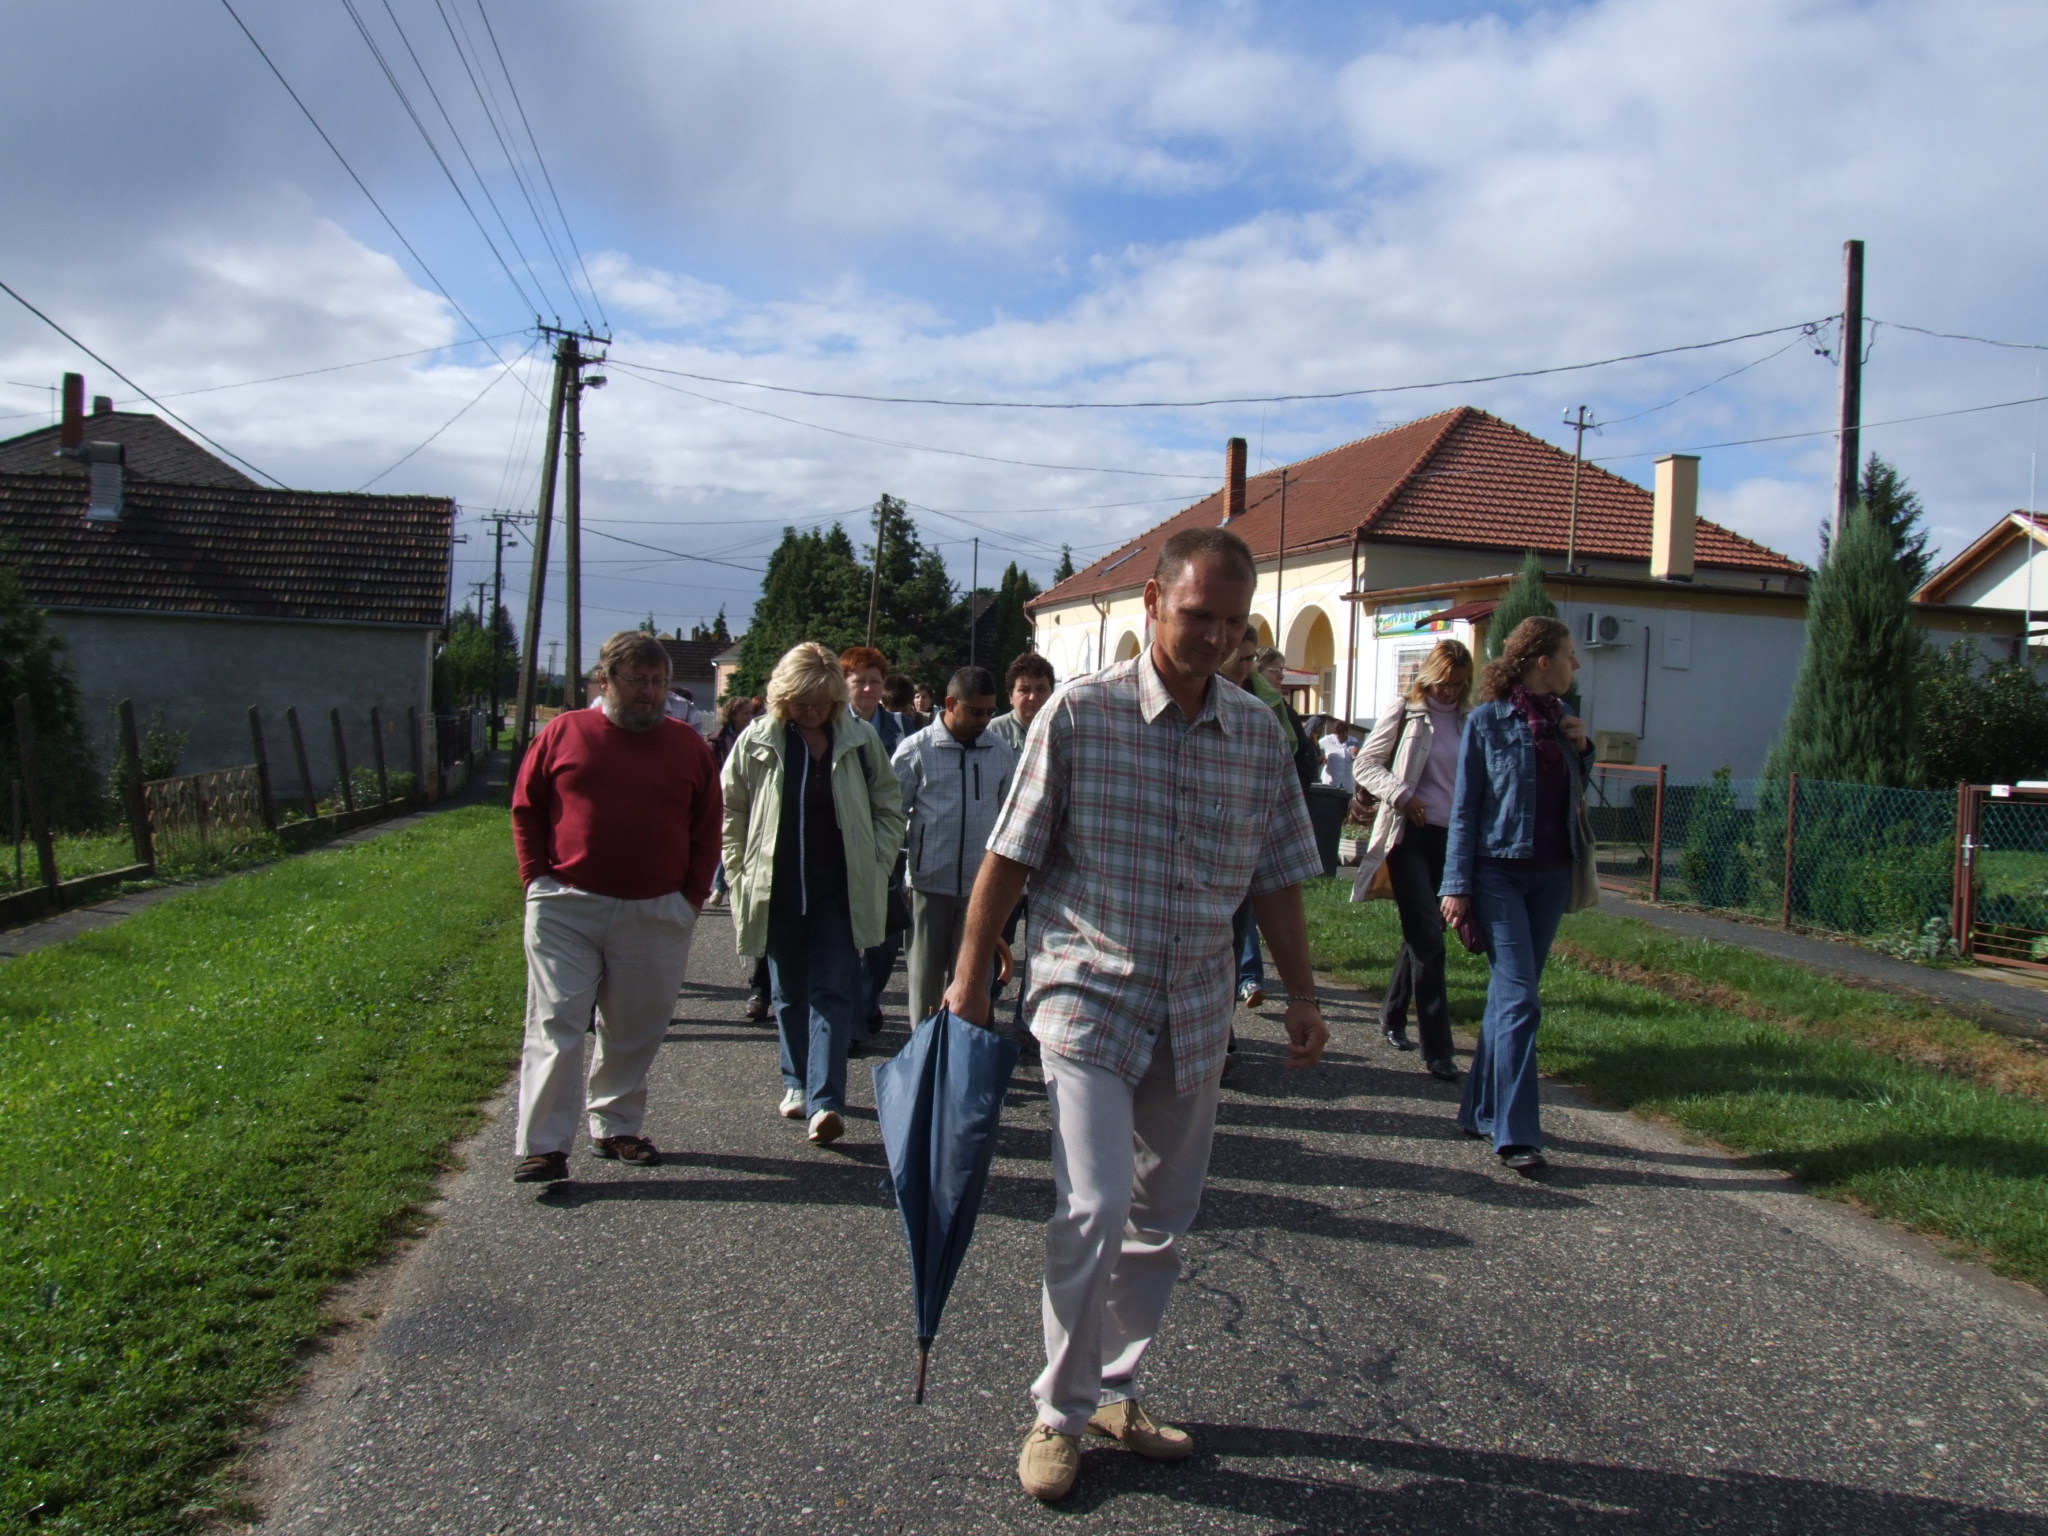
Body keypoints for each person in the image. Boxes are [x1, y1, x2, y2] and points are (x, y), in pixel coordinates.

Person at [940, 526, 1328, 1505]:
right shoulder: (1079, 715)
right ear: (1153, 603)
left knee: (1161, 1216)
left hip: (1194, 1004)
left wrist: (1301, 993)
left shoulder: (1257, 735)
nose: (1216, 638)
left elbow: (1279, 876)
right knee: (1096, 1203)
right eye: (1198, 616)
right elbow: (1010, 853)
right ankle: (1058, 1413)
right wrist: (970, 974)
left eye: (1233, 622)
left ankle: (1114, 1389)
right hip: (1087, 992)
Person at [509, 631, 722, 1183]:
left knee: (634, 1026)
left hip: (656, 909)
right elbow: (527, 808)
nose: (650, 693)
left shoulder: (687, 746)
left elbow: (707, 826)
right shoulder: (564, 732)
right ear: (604, 680)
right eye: (637, 681)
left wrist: (690, 899)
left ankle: (616, 1125)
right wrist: (536, 881)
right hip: (566, 905)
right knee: (557, 1021)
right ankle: (545, 1146)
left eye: (658, 682)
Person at [722, 643, 905, 1146]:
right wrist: (737, 869)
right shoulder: (758, 740)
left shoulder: (860, 740)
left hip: (840, 889)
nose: (812, 711)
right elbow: (732, 808)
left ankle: (826, 1102)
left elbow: (889, 805)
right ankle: (797, 1081)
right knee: (788, 992)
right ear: (783, 697)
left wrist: (877, 859)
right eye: (802, 702)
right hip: (777, 886)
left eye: (822, 703)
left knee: (833, 991)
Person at [1440, 616, 1595, 1174]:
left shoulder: (1565, 722)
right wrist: (1456, 885)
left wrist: (1584, 749)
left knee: (1509, 998)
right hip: (1497, 874)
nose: (1577, 664)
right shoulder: (1486, 722)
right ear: (1543, 661)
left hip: (1552, 877)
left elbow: (1570, 799)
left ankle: (1479, 1109)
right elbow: (1465, 809)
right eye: (1570, 655)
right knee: (1522, 999)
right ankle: (1516, 1133)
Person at [1350, 639, 1473, 1083]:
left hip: (1453, 840)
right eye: (1443, 684)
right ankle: (1438, 1049)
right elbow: (1366, 764)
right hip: (1408, 838)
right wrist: (1400, 794)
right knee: (1428, 939)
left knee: (1426, 932)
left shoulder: (1471, 720)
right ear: (1428, 678)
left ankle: (1392, 1014)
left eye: (1458, 685)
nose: (1449, 692)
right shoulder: (1406, 712)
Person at [892, 665, 1015, 1027]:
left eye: (990, 711)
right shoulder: (915, 750)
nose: (984, 720)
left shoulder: (1000, 752)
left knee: (973, 986)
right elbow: (891, 817)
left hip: (981, 891)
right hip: (928, 887)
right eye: (975, 711)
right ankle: (925, 1053)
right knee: (925, 986)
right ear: (949, 704)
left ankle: (963, 1055)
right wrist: (894, 876)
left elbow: (1009, 823)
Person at [843, 646, 907, 1042]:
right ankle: (851, 1018)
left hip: (887, 845)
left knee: (887, 937)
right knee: (845, 938)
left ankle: (866, 1001)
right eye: (859, 681)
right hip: (843, 843)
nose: (868, 689)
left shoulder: (901, 728)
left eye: (875, 681)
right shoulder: (833, 727)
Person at [988, 652, 1055, 754]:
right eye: (1025, 690)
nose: (1033, 697)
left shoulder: (1064, 732)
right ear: (1011, 696)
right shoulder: (992, 732)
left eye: (1040, 689)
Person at [1319, 722, 1359, 793]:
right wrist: (1322, 757)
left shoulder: (1353, 741)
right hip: (1331, 779)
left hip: (1346, 779)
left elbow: (1356, 757)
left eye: (1343, 733)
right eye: (1338, 733)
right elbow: (1314, 746)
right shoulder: (1327, 740)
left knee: (1346, 797)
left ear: (1347, 732)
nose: (1340, 735)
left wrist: (1356, 755)